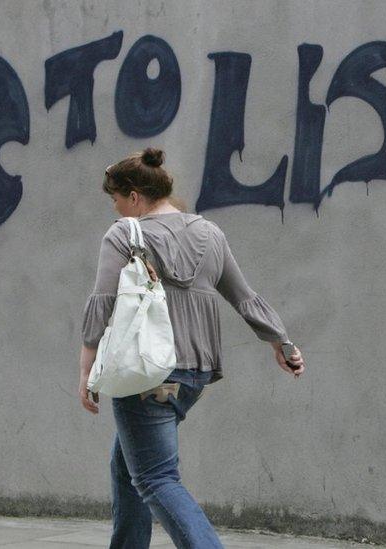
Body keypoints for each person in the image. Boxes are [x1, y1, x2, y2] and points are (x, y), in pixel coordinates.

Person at [77, 147, 305, 548]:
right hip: (194, 374)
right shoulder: (209, 233)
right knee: (126, 465)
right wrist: (280, 341)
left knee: (155, 477)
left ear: (134, 196)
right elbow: (243, 296)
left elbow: (102, 303)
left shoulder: (124, 235)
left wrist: (86, 371)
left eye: (116, 200)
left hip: (145, 372)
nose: (115, 210)